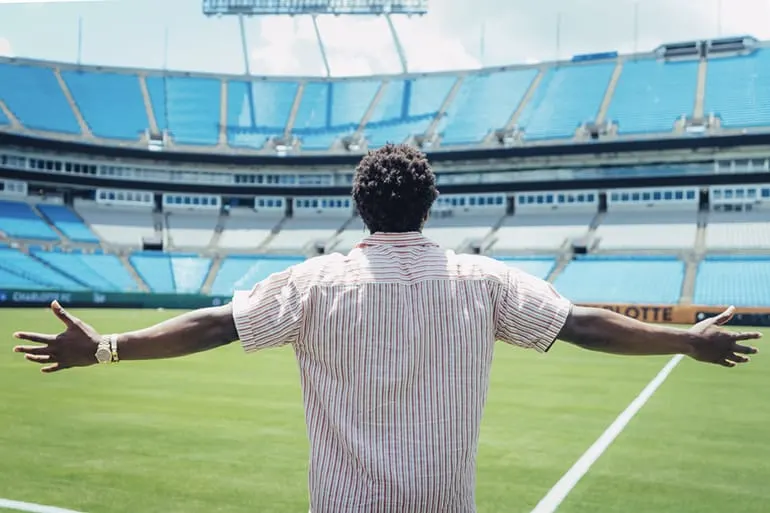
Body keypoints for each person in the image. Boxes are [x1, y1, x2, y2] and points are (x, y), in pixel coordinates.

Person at [13, 144, 760, 513]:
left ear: (361, 206)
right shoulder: (481, 279)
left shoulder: (312, 282)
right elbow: (582, 324)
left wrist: (105, 347)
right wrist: (686, 340)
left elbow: (213, 325)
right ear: (429, 205)